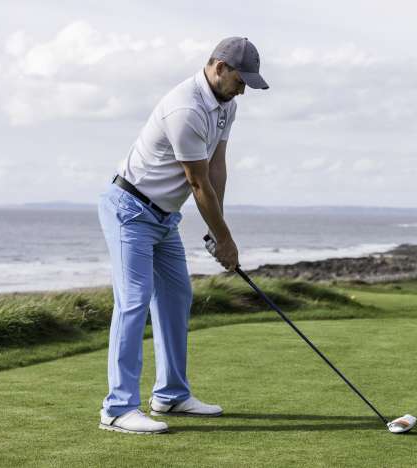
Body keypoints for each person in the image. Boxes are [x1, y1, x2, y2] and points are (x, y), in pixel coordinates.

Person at [97, 37, 269, 434]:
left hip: (163, 217)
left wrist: (217, 228)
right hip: (130, 210)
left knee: (176, 297)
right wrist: (225, 240)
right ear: (219, 67)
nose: (243, 90)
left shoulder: (227, 105)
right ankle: (117, 408)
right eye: (241, 80)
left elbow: (216, 167)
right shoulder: (186, 108)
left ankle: (171, 395)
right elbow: (197, 182)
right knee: (134, 301)